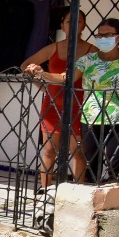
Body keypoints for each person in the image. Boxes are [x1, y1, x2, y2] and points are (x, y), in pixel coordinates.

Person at [22, 11, 94, 187]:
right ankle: (44, 192)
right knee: (48, 150)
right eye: (69, 21)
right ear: (62, 26)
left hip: (79, 105)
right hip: (52, 105)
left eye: (79, 21)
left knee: (77, 152)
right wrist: (44, 88)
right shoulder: (53, 47)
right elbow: (25, 66)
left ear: (84, 25)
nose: (74, 24)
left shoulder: (92, 50)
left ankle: (77, 192)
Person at [76, 18, 119, 183]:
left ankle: (111, 203)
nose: (102, 39)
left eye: (107, 35)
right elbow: (67, 77)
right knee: (91, 162)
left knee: (115, 162)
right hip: (91, 117)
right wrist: (41, 74)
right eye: (99, 35)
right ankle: (90, 198)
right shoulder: (88, 60)